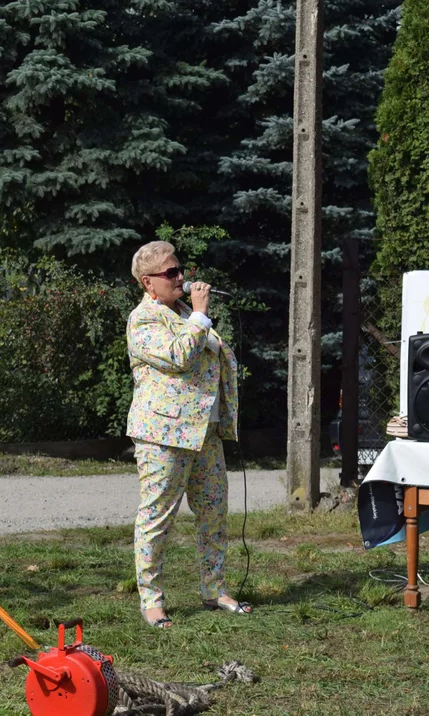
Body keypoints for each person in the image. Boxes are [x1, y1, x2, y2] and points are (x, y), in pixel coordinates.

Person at [126, 240, 251, 629]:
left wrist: (194, 315)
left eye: (180, 269)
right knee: (157, 518)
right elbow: (179, 357)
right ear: (149, 283)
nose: (181, 278)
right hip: (163, 435)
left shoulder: (184, 313)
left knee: (214, 514)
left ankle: (215, 589)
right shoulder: (143, 320)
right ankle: (152, 600)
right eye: (171, 273)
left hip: (204, 435)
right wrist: (199, 315)